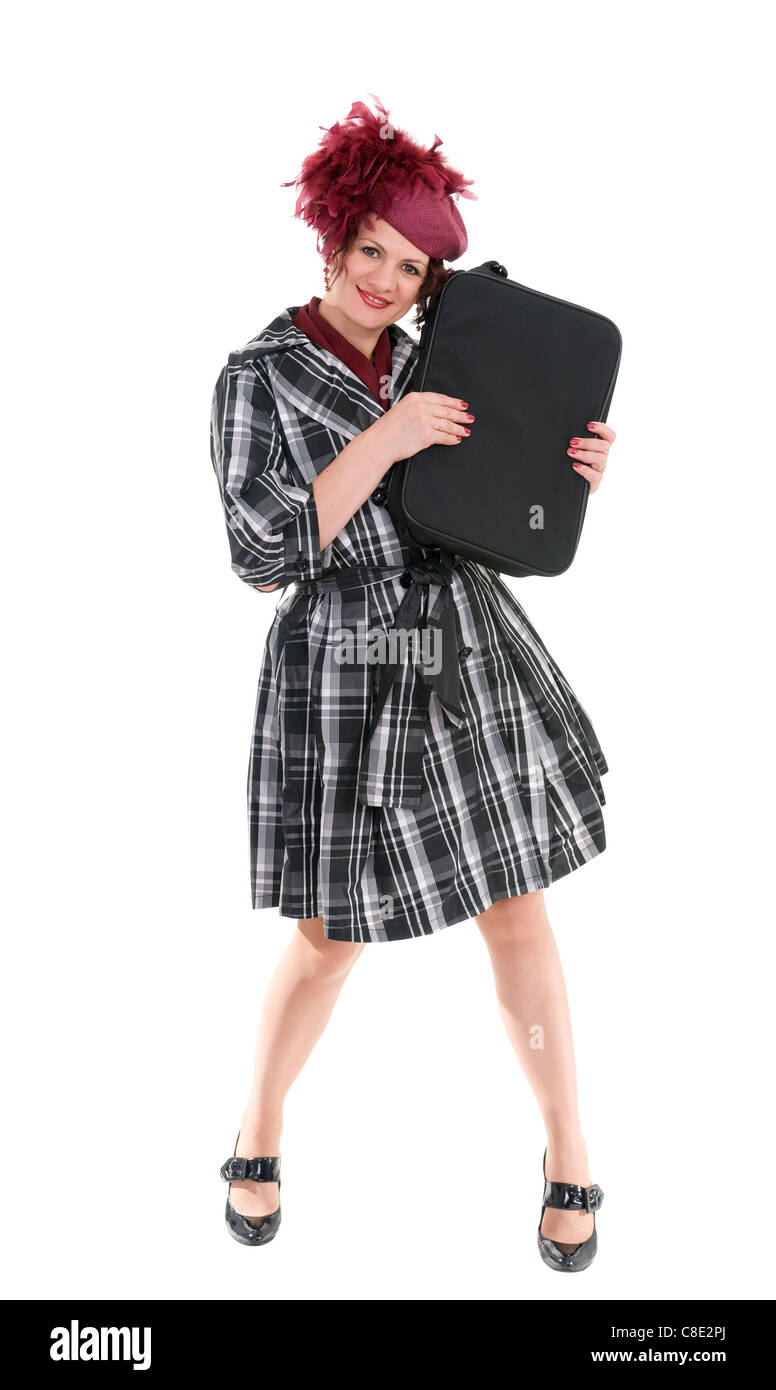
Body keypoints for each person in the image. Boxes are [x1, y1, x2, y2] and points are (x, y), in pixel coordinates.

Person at [210, 96, 614, 1270]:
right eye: (370, 251)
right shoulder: (259, 378)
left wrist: (570, 473)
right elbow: (262, 556)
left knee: (518, 912)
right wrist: (384, 441)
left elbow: (503, 519)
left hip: (460, 649)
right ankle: (259, 1126)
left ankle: (570, 1150)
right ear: (329, 239)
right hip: (344, 664)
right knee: (330, 937)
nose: (387, 279)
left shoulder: (452, 356)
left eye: (412, 264)